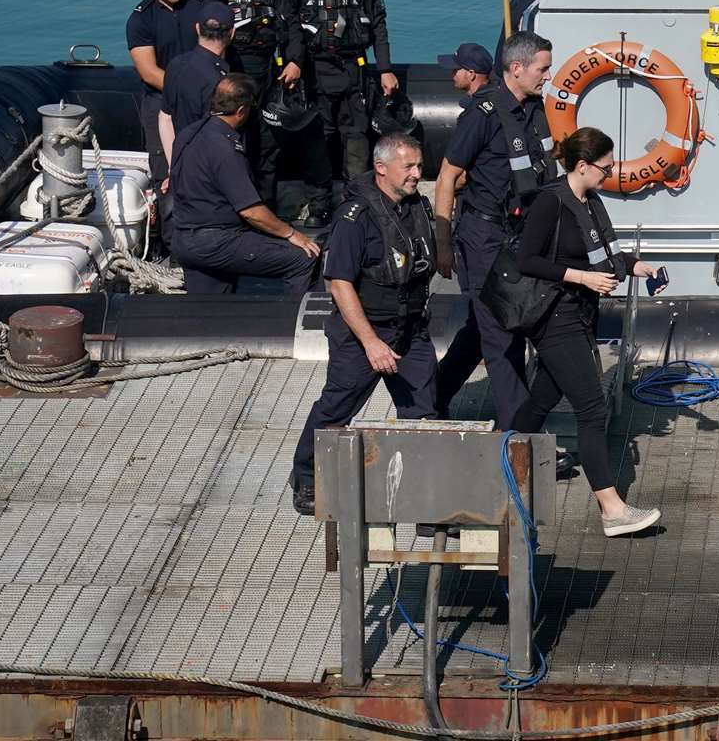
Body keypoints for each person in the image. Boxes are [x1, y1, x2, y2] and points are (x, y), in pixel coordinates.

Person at [512, 127, 662, 537]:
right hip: (554, 316)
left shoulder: (590, 202)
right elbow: (527, 259)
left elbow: (603, 253)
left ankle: (495, 462)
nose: (609, 174)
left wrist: (635, 266)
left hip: (579, 314)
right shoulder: (550, 202)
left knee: (542, 397)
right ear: (582, 166)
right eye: (605, 167)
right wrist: (580, 278)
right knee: (592, 409)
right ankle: (611, 509)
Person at [288, 134, 438, 517]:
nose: (417, 174)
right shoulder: (356, 218)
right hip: (363, 333)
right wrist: (371, 342)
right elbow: (339, 284)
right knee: (338, 406)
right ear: (382, 168)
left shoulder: (415, 207)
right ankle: (307, 474)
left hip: (410, 328)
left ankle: (422, 488)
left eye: (419, 166)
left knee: (423, 408)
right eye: (409, 167)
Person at [432, 32, 556, 427]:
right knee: (503, 336)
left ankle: (429, 397)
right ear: (516, 68)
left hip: (519, 236)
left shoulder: (536, 110)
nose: (547, 76)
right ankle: (519, 434)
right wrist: (443, 242)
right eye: (542, 69)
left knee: (480, 330)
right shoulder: (483, 114)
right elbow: (448, 175)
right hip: (484, 237)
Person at [276, 0, 396, 226]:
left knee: (356, 138)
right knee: (317, 141)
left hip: (353, 70)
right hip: (314, 72)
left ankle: (357, 202)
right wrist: (292, 60)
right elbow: (286, 24)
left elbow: (379, 24)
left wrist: (384, 68)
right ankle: (319, 205)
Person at [170, 74, 320, 294]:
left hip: (184, 238)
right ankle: (296, 323)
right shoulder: (226, 149)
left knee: (208, 307)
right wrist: (292, 234)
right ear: (241, 111)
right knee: (303, 258)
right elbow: (251, 211)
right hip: (218, 241)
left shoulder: (187, 135)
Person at [190, 0, 298, 208]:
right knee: (233, 143)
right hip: (230, 73)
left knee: (267, 144)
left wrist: (294, 60)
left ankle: (267, 205)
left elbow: (290, 24)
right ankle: (235, 206)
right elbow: (203, 18)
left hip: (265, 73)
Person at [126, 0, 204, 182]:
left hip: (201, 101)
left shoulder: (200, 7)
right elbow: (148, 71)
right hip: (161, 103)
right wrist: (187, 89)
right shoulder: (141, 20)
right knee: (165, 174)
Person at [158, 3, 233, 165]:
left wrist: (174, 167)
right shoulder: (223, 82)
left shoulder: (175, 65)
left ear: (198, 29)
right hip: (209, 169)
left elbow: (165, 118)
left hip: (182, 161)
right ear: (232, 33)